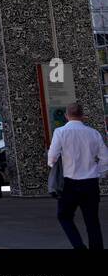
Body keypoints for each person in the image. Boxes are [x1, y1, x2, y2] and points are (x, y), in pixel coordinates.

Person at [47, 101, 107, 250]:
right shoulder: (94, 133)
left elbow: (52, 157)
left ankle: (79, 247)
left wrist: (54, 165)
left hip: (69, 183)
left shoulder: (60, 132)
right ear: (83, 116)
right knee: (92, 221)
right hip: (90, 183)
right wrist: (98, 172)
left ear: (67, 116)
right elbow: (105, 158)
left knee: (64, 216)